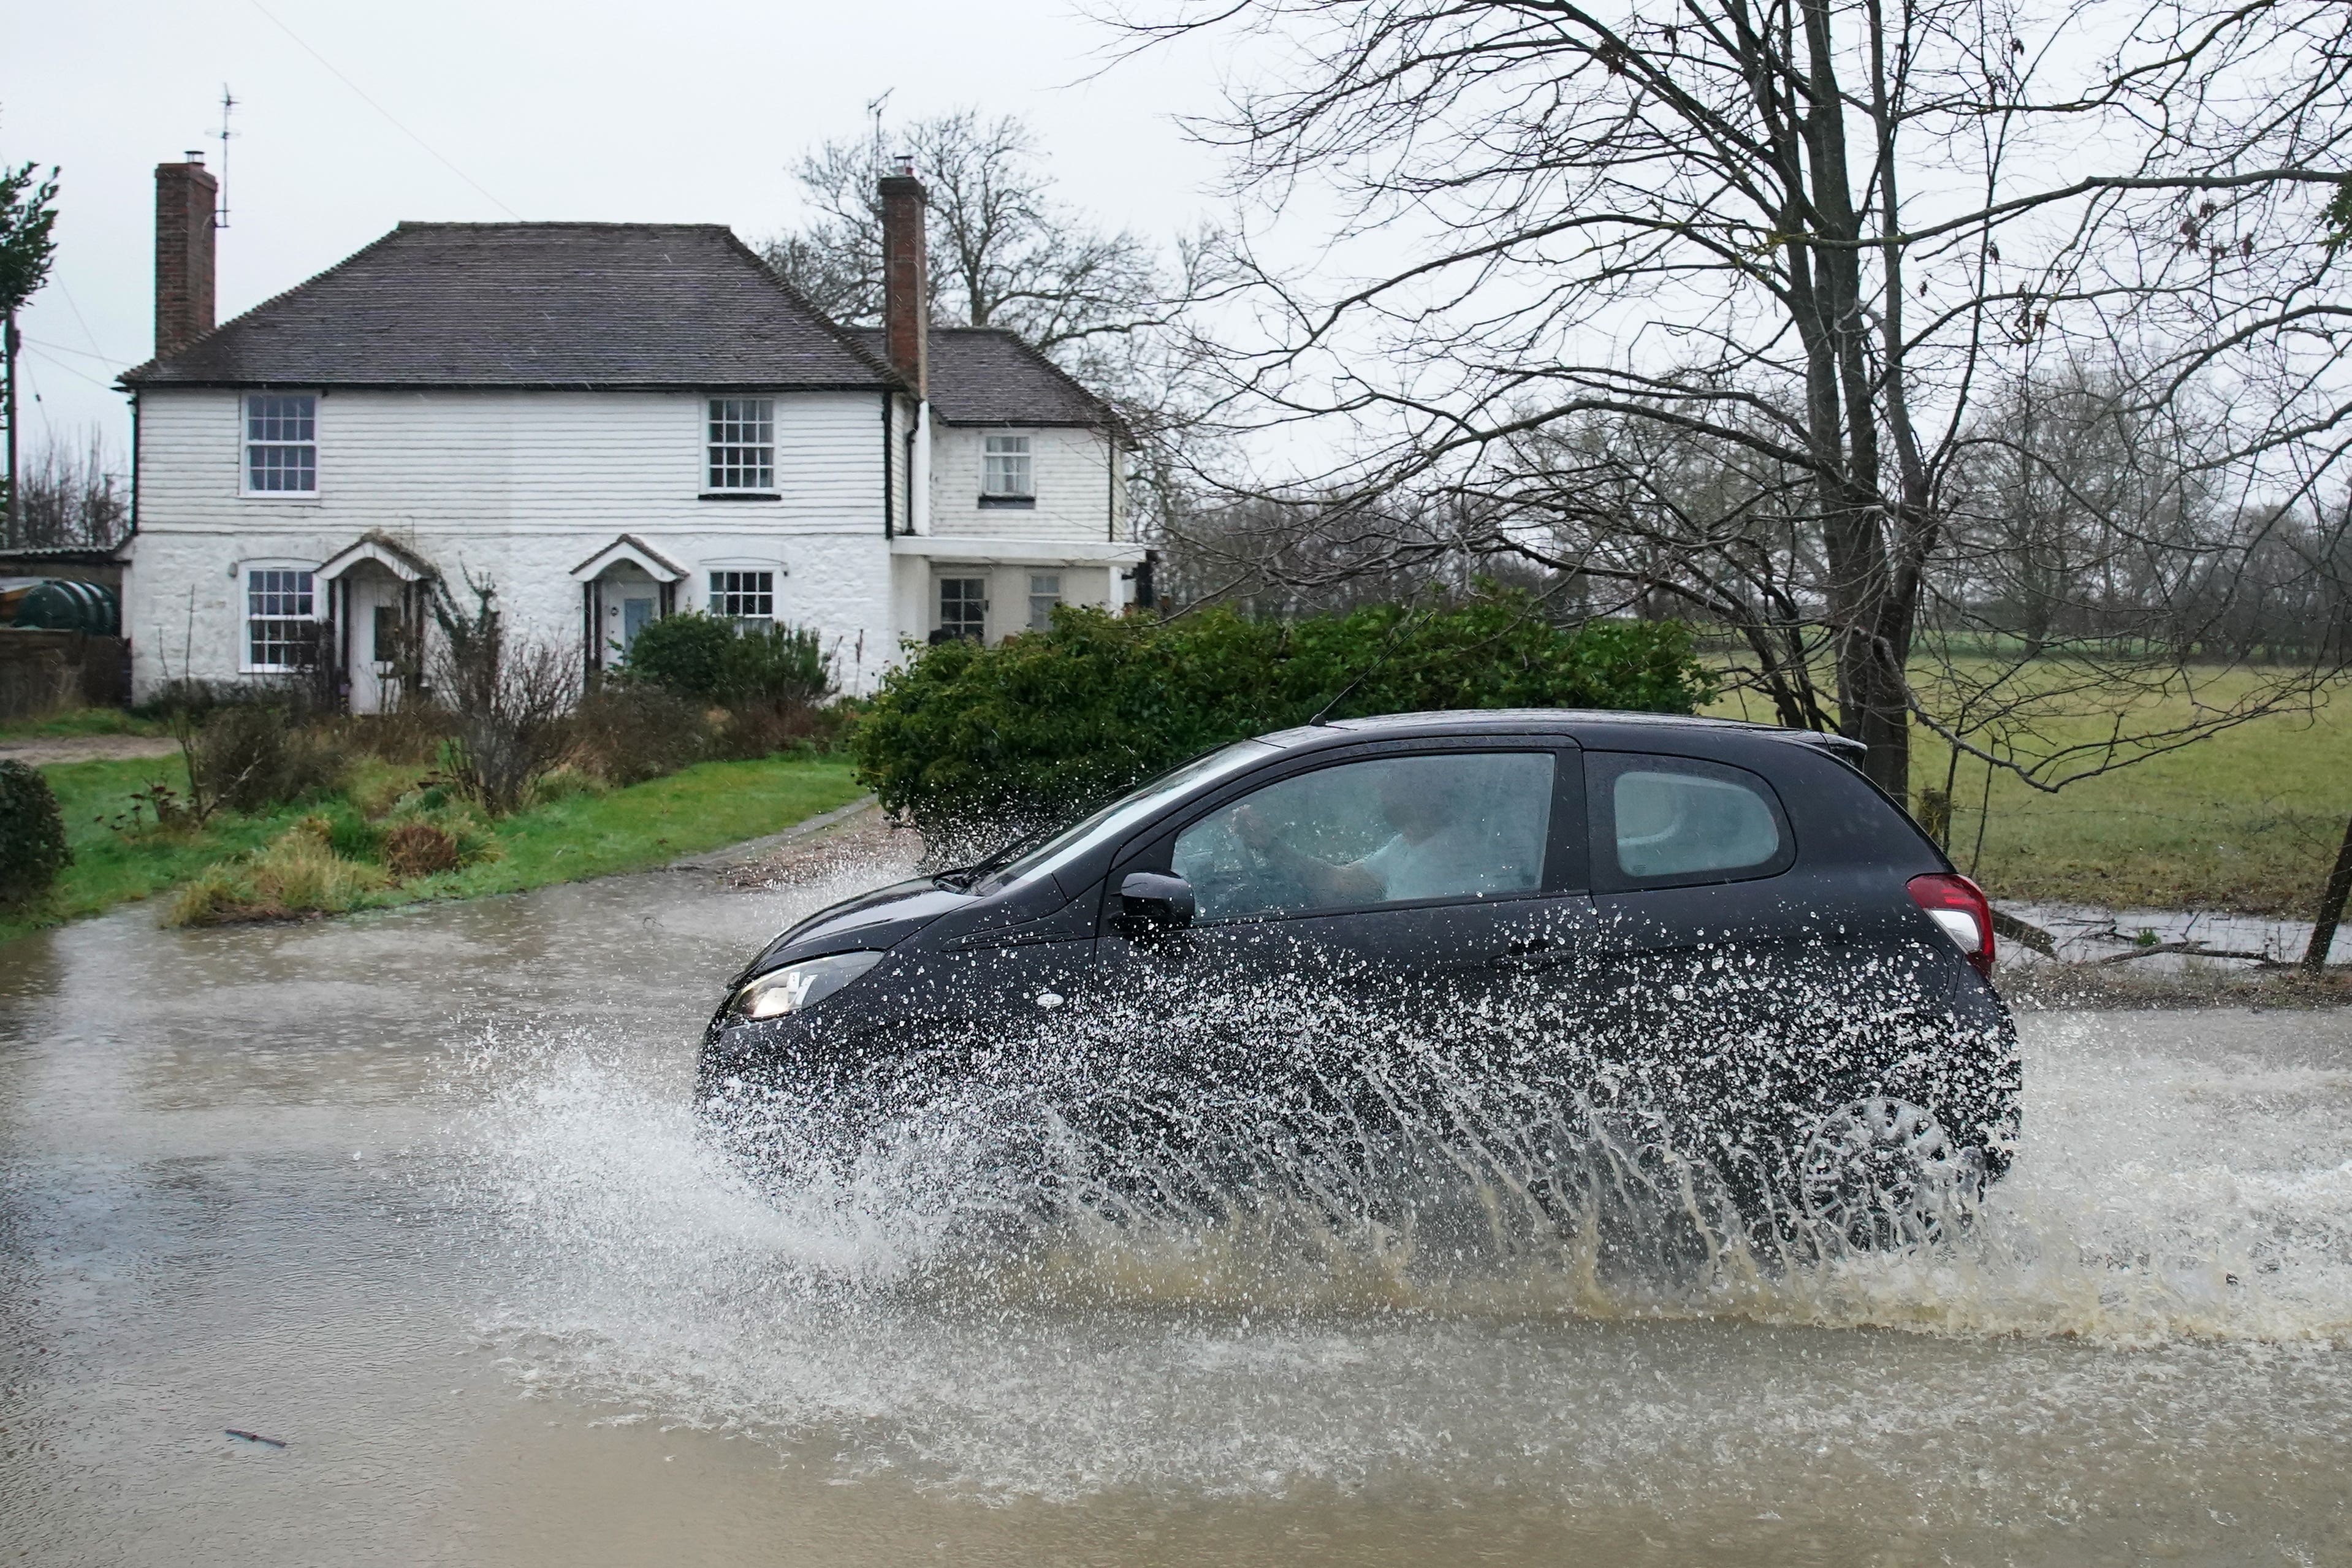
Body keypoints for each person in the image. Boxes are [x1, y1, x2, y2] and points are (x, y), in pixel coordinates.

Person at [1230, 763, 1521, 907]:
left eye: (1392, 779)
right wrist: (1271, 846)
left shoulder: (1451, 855)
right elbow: (1339, 883)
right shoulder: (1407, 845)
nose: (1380, 789)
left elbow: (1410, 933)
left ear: (1422, 789)